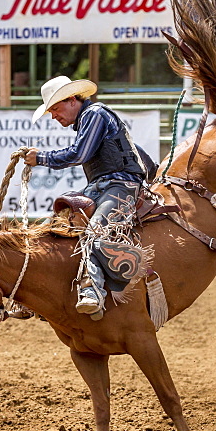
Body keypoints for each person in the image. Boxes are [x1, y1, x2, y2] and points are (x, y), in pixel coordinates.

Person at [23, 76, 152, 317]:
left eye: (55, 109)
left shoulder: (95, 114)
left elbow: (79, 154)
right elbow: (134, 150)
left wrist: (42, 158)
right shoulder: (93, 118)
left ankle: (92, 291)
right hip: (103, 186)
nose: (54, 116)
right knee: (58, 229)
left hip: (120, 185)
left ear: (72, 100)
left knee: (95, 231)